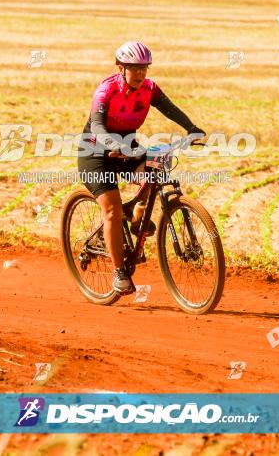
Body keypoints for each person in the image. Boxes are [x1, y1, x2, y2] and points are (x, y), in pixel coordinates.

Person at [78, 41, 204, 294]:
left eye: (144, 68)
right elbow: (99, 126)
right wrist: (114, 145)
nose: (140, 73)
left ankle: (137, 212)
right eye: (133, 68)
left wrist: (191, 128)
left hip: (126, 145)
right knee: (112, 211)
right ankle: (119, 272)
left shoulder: (149, 88)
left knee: (155, 168)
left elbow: (169, 109)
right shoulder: (106, 90)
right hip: (95, 151)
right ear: (121, 68)